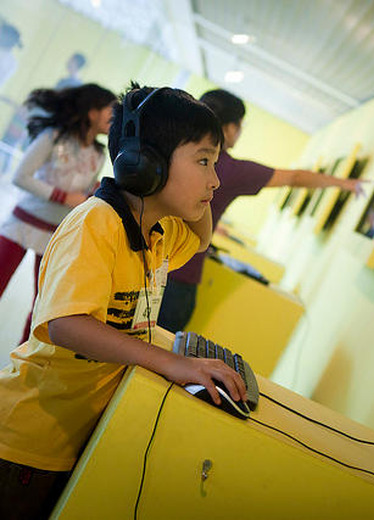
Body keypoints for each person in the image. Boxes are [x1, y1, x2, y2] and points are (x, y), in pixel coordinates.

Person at [0, 85, 247, 520]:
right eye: (204, 161)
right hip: (25, 438)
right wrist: (172, 363)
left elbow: (202, 238)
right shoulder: (97, 223)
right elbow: (67, 324)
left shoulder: (157, 231)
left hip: (65, 438)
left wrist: (199, 185)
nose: (216, 180)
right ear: (145, 163)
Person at [157, 88, 364, 332]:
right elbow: (294, 177)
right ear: (230, 128)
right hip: (180, 280)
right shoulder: (232, 170)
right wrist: (346, 183)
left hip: (153, 266)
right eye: (240, 125)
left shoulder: (172, 150)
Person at [0, 83, 116, 343]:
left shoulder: (98, 154)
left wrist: (93, 193)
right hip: (20, 224)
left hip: (56, 237)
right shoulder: (53, 137)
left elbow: (82, 192)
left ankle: (24, 361)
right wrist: (61, 196)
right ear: (92, 112)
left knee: (43, 308)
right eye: (110, 110)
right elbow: (20, 176)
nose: (114, 117)